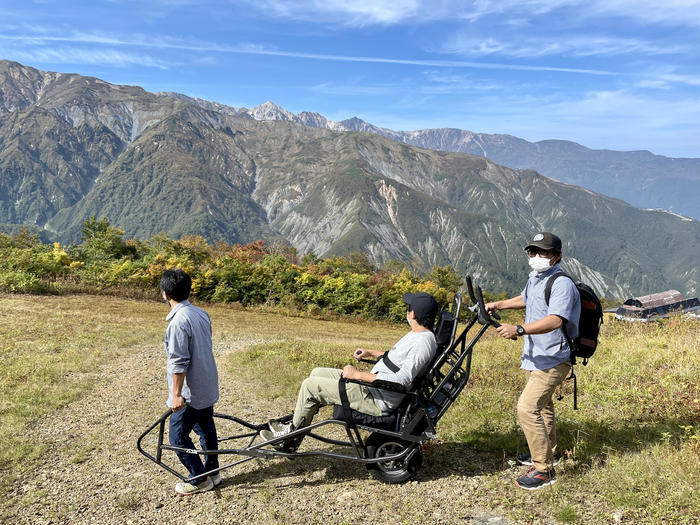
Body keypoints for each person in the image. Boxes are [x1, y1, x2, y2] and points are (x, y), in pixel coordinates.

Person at [261, 292, 439, 448]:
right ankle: (297, 425)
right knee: (316, 373)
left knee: (310, 386)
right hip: (374, 388)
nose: (407, 311)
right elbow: (395, 358)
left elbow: (402, 380)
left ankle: (289, 438)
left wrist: (358, 375)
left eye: (408, 307)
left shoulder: (423, 342)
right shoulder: (419, 334)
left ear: (413, 313)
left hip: (377, 398)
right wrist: (370, 352)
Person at [485, 232, 580, 491]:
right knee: (544, 407)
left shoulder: (562, 284)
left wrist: (519, 329)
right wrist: (499, 304)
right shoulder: (537, 278)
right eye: (533, 252)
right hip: (535, 356)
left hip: (553, 359)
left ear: (557, 256)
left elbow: (556, 320)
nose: (537, 257)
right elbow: (526, 299)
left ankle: (544, 470)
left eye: (544, 253)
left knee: (527, 409)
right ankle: (551, 453)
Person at [161, 269, 221, 496]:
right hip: (206, 385)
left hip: (190, 392)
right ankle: (213, 471)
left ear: (165, 294)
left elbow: (179, 362)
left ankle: (199, 478)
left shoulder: (178, 322)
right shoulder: (201, 313)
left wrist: (176, 395)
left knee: (177, 437)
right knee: (206, 429)